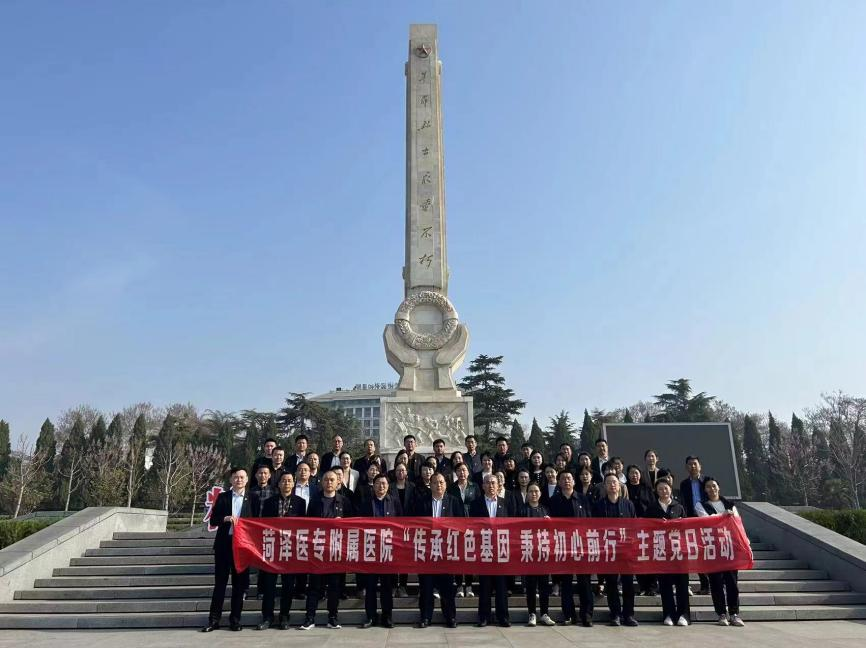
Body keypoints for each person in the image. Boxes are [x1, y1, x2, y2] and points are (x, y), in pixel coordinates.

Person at [300, 470, 353, 630]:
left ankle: (332, 617)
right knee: (315, 586)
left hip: (337, 550)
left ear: (338, 483)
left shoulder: (344, 501)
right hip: (318, 549)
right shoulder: (315, 502)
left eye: (332, 480)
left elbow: (352, 525)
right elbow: (308, 525)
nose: (329, 482)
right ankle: (309, 618)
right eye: (326, 480)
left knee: (334, 586)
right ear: (322, 482)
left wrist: (342, 522)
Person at [202, 466, 251, 632]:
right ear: (231, 480)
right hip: (224, 546)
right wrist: (226, 518)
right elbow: (213, 520)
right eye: (236, 477)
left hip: (243, 548)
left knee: (239, 586)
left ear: (247, 479)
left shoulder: (252, 499)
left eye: (242, 477)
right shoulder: (223, 497)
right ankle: (213, 620)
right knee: (220, 585)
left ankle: (235, 620)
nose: (239, 480)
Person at [257, 472, 306, 630]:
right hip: (272, 547)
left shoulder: (300, 502)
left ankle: (284, 616)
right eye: (283, 481)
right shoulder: (270, 502)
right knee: (269, 585)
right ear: (278, 484)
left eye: (290, 480)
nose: (286, 483)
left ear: (293, 484)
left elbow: (304, 526)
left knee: (288, 585)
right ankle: (267, 617)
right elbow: (263, 524)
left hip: (290, 549)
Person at [414, 472, 464, 628]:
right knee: (426, 587)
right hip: (427, 551)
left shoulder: (454, 502)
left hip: (447, 551)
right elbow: (414, 524)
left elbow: (462, 523)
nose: (438, 485)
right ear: (430, 484)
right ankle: (425, 617)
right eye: (435, 483)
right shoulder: (421, 502)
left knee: (447, 588)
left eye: (441, 482)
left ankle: (450, 617)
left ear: (446, 484)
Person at [695, 476, 745, 627]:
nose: (712, 489)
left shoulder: (729, 504)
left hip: (729, 547)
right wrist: (723, 516)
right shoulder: (700, 505)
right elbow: (706, 520)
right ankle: (721, 614)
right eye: (708, 486)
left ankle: (734, 613)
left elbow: (737, 522)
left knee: (732, 583)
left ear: (719, 487)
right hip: (712, 547)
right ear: (704, 490)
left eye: (714, 486)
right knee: (715, 582)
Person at [593, 473, 639, 627]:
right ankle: (615, 615)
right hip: (608, 550)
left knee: (628, 584)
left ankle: (629, 615)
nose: (612, 485)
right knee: (611, 583)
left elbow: (634, 527)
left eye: (615, 482)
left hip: (626, 550)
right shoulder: (599, 505)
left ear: (620, 486)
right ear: (605, 486)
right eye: (609, 483)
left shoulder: (628, 504)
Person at [549, 470, 594, 627]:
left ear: (574, 482)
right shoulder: (553, 501)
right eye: (563, 478)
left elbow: (590, 521)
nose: (566, 481)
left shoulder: (583, 498)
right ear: (559, 482)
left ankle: (586, 615)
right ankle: (569, 615)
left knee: (585, 582)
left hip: (582, 546)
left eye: (569, 478)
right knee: (566, 583)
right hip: (563, 547)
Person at [358, 474, 402, 628]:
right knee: (370, 586)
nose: (381, 486)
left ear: (388, 486)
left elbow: (400, 525)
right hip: (370, 549)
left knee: (386, 586)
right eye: (378, 484)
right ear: (373, 486)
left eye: (384, 483)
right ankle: (370, 616)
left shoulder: (394, 503)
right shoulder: (365, 504)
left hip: (388, 550)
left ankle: (387, 616)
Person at [645, 479, 690, 626]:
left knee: (682, 584)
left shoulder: (679, 507)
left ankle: (684, 614)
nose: (663, 491)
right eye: (660, 489)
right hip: (662, 551)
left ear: (671, 489)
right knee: (665, 585)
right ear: (656, 491)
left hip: (678, 551)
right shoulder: (652, 508)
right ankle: (669, 614)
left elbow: (687, 527)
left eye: (666, 488)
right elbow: (646, 528)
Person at [470, 473, 511, 628]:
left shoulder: (506, 503)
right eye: (487, 483)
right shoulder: (476, 504)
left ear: (498, 485)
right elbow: (472, 527)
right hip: (484, 549)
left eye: (493, 482)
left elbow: (513, 526)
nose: (491, 485)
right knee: (485, 586)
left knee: (501, 586)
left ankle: (503, 617)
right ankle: (483, 617)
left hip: (501, 549)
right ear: (483, 486)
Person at [523, 483, 556, 627]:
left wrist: (550, 524)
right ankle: (532, 614)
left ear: (540, 493)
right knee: (530, 586)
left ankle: (544, 613)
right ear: (527, 494)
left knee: (544, 585)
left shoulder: (545, 509)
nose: (534, 494)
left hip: (543, 553)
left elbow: (553, 532)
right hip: (529, 552)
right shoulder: (522, 511)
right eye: (531, 491)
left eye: (536, 491)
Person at [447, 462, 479, 598]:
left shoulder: (474, 486)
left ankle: (469, 585)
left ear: (468, 472)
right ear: (456, 472)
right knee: (459, 556)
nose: (462, 473)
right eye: (459, 470)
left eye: (464, 470)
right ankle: (460, 584)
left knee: (470, 556)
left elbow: (479, 504)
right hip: (457, 525)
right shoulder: (452, 488)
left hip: (472, 524)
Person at [680, 455, 710, 595]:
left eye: (695, 464)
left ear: (700, 466)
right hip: (692, 521)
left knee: (709, 552)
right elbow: (684, 503)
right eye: (690, 464)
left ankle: (715, 582)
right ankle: (704, 584)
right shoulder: (684, 484)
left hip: (708, 521)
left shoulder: (707, 481)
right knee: (698, 552)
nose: (692, 466)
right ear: (686, 467)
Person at [626, 464, 656, 597]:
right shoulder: (625, 488)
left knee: (649, 556)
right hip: (632, 528)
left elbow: (653, 505)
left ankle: (652, 586)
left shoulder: (647, 489)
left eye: (636, 473)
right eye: (631, 473)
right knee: (637, 557)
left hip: (647, 526)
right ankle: (643, 586)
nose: (634, 475)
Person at [390, 462, 414, 598]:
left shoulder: (412, 487)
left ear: (406, 473)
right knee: (394, 556)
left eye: (403, 470)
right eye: (398, 470)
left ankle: (403, 586)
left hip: (408, 526)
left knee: (404, 557)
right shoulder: (390, 487)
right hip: (394, 526)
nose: (400, 473)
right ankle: (394, 585)